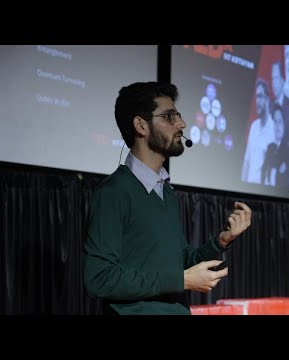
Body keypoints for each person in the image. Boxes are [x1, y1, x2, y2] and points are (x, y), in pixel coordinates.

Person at [83, 81, 252, 315]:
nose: (181, 124)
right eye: (169, 116)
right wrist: (181, 281)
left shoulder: (167, 193)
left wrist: (221, 241)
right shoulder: (113, 192)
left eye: (178, 115)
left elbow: (180, 263)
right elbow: (99, 278)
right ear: (141, 125)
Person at [241, 78, 275, 184]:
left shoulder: (274, 130)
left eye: (260, 96)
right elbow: (247, 161)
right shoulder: (254, 126)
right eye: (256, 97)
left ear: (267, 99)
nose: (257, 101)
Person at [261, 105, 289, 188]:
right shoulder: (270, 148)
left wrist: (271, 172)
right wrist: (276, 172)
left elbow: (286, 180)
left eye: (280, 121)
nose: (277, 125)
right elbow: (263, 173)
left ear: (284, 124)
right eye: (275, 121)